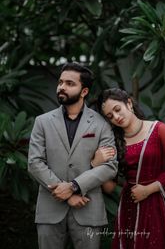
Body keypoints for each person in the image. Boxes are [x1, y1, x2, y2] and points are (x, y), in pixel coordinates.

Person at [28, 62, 118, 249]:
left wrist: (75, 186)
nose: (62, 87)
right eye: (61, 82)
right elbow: (35, 163)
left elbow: (110, 166)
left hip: (88, 208)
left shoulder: (102, 124)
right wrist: (67, 193)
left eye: (70, 83)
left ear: (84, 91)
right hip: (49, 208)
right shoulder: (42, 122)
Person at [94, 88, 165, 249]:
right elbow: (109, 187)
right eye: (110, 116)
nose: (116, 117)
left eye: (117, 109)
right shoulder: (114, 142)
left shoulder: (159, 130)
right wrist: (96, 165)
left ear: (129, 104)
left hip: (159, 203)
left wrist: (148, 190)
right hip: (130, 205)